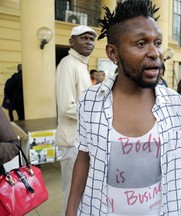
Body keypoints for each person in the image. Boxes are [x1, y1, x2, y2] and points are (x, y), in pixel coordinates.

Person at [66, 1, 181, 215]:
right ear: (113, 53)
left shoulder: (174, 104)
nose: (155, 53)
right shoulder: (90, 101)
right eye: (141, 43)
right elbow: (83, 158)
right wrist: (71, 209)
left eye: (157, 43)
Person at [55, 24, 97, 215]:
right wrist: (96, 112)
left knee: (81, 192)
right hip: (71, 141)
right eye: (83, 38)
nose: (89, 42)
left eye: (91, 39)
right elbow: (66, 107)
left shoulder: (80, 64)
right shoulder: (67, 63)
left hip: (81, 141)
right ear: (71, 42)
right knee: (72, 192)